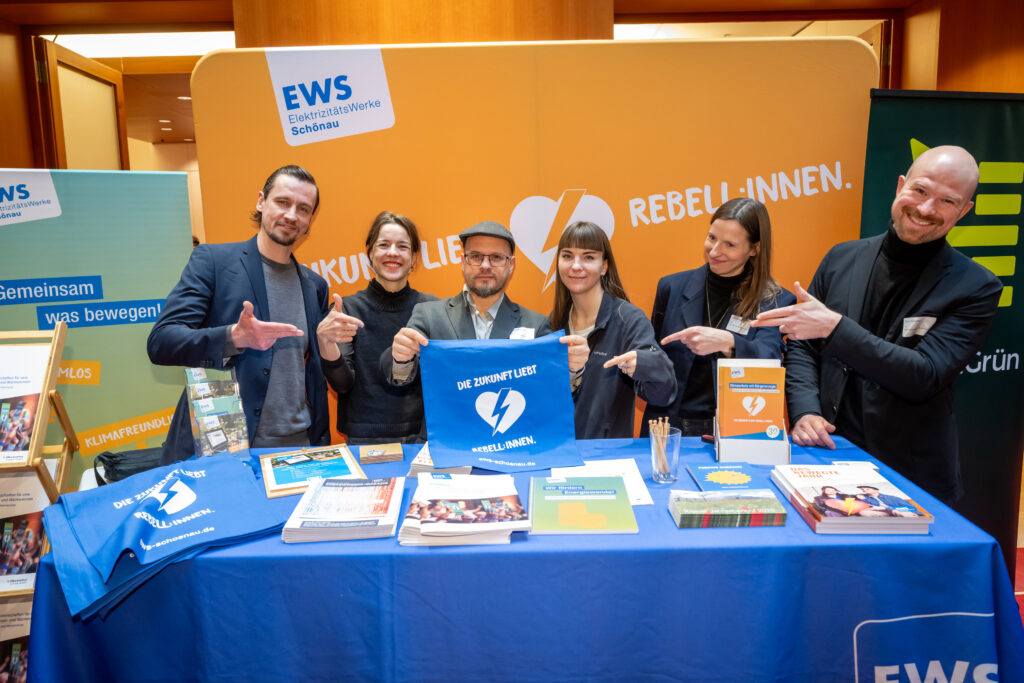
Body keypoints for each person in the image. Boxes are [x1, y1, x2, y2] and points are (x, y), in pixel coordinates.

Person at [753, 145, 1002, 504]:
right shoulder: (841, 257)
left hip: (912, 475)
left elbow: (924, 375)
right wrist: (805, 411)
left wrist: (835, 328)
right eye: (920, 190)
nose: (926, 209)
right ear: (901, 186)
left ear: (964, 211)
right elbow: (803, 346)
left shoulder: (976, 287)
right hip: (826, 456)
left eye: (947, 201)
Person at [148, 165, 345, 464]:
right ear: (261, 201)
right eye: (283, 202)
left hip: (299, 447)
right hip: (226, 448)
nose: (291, 215)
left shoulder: (314, 285)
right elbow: (161, 342)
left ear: (310, 221)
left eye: (303, 209)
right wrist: (233, 337)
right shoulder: (213, 262)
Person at [641, 198, 795, 436]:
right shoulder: (671, 287)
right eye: (712, 238)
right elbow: (654, 355)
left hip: (734, 430)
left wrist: (729, 343)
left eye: (730, 245)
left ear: (754, 249)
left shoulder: (775, 301)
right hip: (667, 427)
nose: (714, 251)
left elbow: (770, 360)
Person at [384, 220, 588, 385]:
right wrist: (401, 358)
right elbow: (400, 379)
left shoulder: (537, 325)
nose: (485, 265)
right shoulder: (429, 315)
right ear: (462, 262)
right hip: (447, 425)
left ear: (511, 265)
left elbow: (550, 386)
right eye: (475, 256)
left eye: (496, 257)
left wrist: (573, 370)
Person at [548, 221, 676, 438]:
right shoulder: (553, 322)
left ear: (604, 266)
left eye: (588, 257)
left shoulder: (629, 320)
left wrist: (643, 364)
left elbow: (663, 394)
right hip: (559, 448)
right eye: (567, 256)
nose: (576, 266)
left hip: (607, 453)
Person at [320, 211, 438, 444]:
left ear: (414, 257)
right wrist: (326, 344)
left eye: (403, 247)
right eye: (383, 245)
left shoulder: (433, 308)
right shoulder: (346, 310)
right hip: (363, 440)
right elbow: (342, 384)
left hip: (422, 438)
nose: (393, 253)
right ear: (370, 253)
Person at [855, 485, 919, 517]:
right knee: (863, 512)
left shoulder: (892, 498)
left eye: (867, 489)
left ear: (876, 490)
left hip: (898, 511)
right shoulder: (865, 497)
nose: (864, 491)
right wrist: (862, 498)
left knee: (895, 511)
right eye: (862, 490)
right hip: (885, 513)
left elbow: (911, 508)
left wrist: (887, 508)